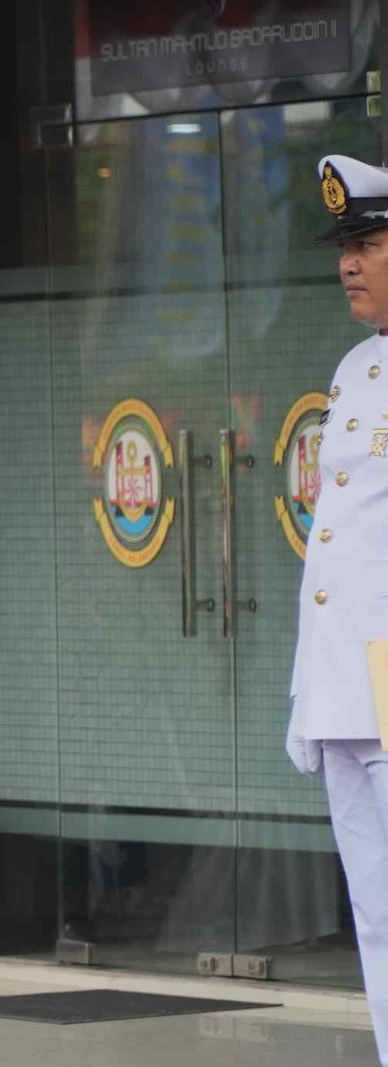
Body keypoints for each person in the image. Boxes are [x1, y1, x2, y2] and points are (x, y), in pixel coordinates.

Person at [286, 153, 388, 1067]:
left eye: (368, 241)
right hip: (352, 690)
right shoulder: (356, 367)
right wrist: (306, 691)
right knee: (377, 912)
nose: (348, 262)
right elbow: (335, 547)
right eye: (344, 246)